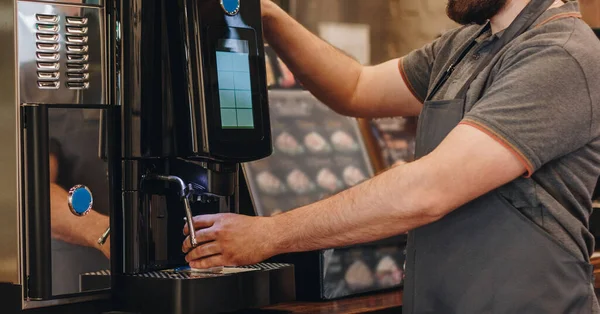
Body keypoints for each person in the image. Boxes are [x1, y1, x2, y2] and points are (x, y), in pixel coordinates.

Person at [183, 0, 600, 312]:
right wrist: (269, 17)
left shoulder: (559, 53)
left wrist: (267, 236)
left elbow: (425, 190)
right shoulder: (463, 48)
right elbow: (355, 86)